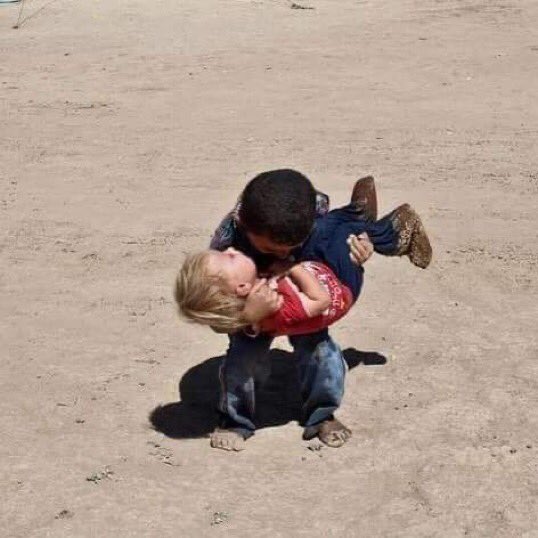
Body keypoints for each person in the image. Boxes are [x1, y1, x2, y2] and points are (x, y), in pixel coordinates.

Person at [179, 169, 431, 451]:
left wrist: (359, 246)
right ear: (246, 227)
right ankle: (235, 421)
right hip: (251, 319)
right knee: (242, 359)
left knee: (321, 353)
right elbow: (211, 311)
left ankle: (322, 414)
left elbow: (325, 276)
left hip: (301, 300)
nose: (281, 254)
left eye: (289, 247)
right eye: (271, 248)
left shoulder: (313, 219)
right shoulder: (228, 246)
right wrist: (248, 315)